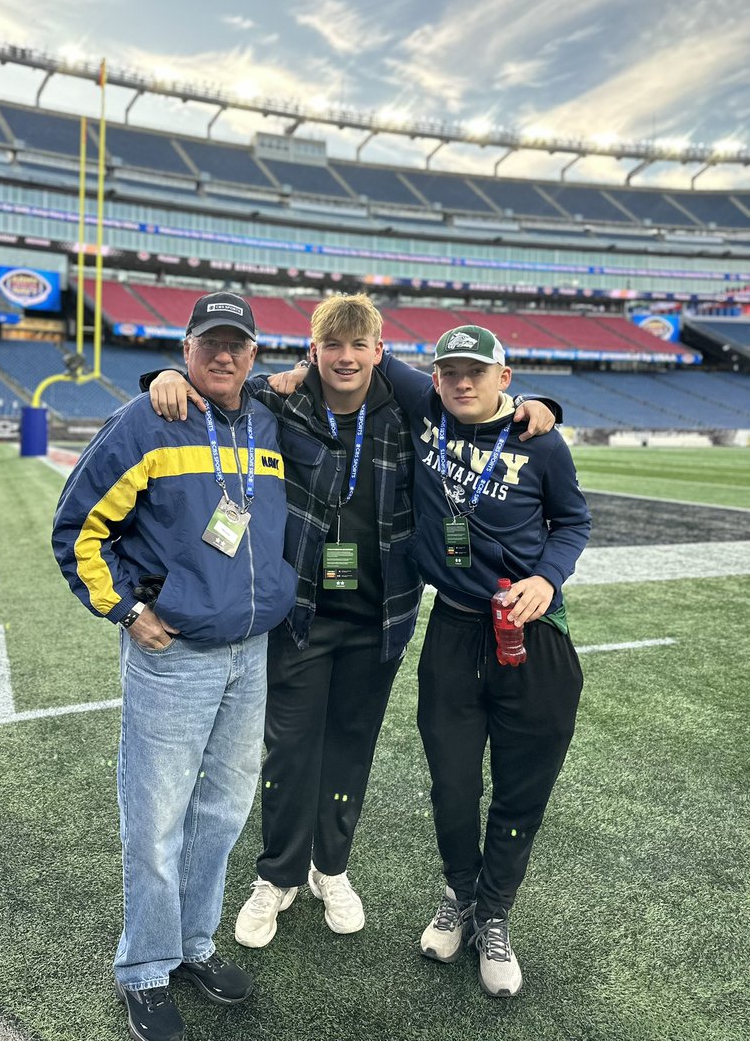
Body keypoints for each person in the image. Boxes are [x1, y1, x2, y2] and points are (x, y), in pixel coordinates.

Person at [146, 296, 558, 956]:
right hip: (301, 613)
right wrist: (163, 378)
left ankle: (329, 868)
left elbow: (476, 401)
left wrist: (541, 406)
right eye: (331, 346)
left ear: (378, 351)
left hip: (381, 616)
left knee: (351, 747)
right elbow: (216, 385)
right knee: (287, 748)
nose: (344, 357)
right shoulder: (280, 401)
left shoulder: (410, 409)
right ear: (313, 352)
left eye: (357, 346)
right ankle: (276, 875)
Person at [52, 292, 297, 1041]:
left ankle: (192, 946)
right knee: (156, 820)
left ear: (254, 355)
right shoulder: (149, 420)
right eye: (209, 344)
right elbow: (77, 532)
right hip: (176, 656)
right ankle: (145, 969)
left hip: (250, 653)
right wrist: (127, 611)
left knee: (220, 816)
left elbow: (347, 366)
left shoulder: (267, 416)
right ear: (186, 349)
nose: (224, 356)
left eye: (239, 346)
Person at [379, 325, 591, 999]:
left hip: (532, 634)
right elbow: (354, 350)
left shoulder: (542, 441)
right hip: (454, 629)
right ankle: (460, 894)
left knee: (522, 787)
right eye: (449, 372)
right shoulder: (426, 409)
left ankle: (494, 913)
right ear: (435, 378)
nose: (461, 383)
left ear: (505, 376)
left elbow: (574, 521)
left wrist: (549, 579)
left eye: (476, 371)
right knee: (452, 783)